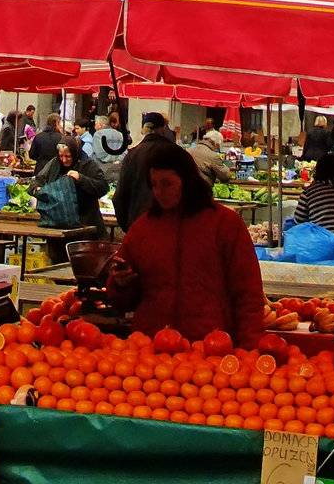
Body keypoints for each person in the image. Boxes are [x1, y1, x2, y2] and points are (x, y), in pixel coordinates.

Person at [107, 141, 265, 346]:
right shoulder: (142, 229)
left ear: (187, 181)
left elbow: (248, 294)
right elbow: (123, 301)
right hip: (151, 352)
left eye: (167, 183)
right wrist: (120, 283)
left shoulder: (225, 225)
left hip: (212, 347)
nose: (158, 192)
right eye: (154, 184)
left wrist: (249, 348)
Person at [32, 134, 109, 236]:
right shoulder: (54, 164)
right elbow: (38, 180)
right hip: (56, 225)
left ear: (74, 153)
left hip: (85, 225)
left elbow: (103, 187)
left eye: (68, 156)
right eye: (61, 156)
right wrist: (36, 189)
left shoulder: (87, 164)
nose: (64, 160)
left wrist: (81, 179)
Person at [113, 116, 179, 230]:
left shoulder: (132, 155)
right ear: (163, 128)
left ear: (144, 130)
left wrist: (128, 226)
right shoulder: (177, 153)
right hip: (170, 226)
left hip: (137, 224)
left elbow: (119, 196)